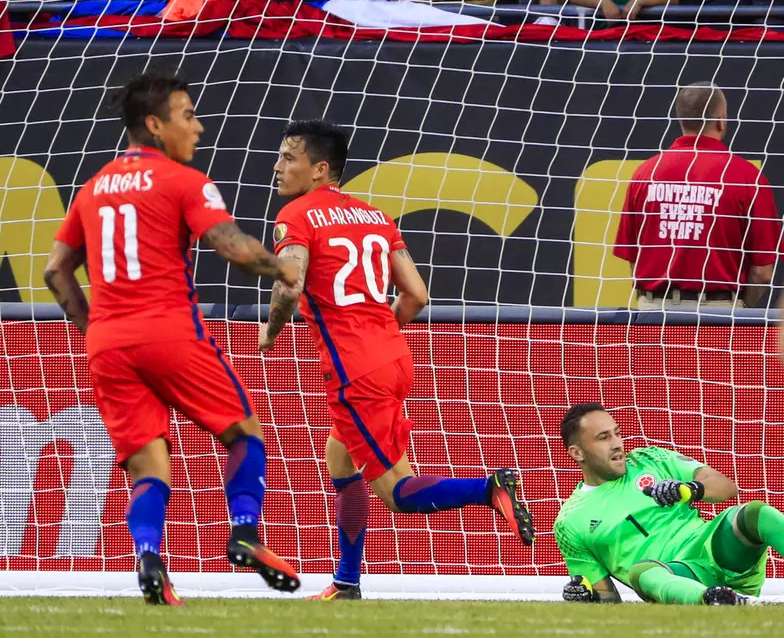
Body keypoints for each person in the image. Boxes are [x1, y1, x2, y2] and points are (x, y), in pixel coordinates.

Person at [43, 70, 302, 606]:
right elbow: (233, 248)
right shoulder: (185, 181)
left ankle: (149, 558)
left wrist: (94, 328)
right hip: (169, 331)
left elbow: (55, 271)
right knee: (243, 432)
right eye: (188, 116)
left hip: (108, 344)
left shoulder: (92, 188)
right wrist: (285, 270)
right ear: (155, 125)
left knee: (147, 464)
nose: (200, 128)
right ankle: (246, 534)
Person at [259, 120, 535, 602]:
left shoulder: (295, 215)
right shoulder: (375, 217)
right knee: (339, 462)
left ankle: (489, 487)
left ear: (320, 169)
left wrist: (272, 329)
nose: (277, 165)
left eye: (288, 157)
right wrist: (378, 333)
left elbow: (290, 283)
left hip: (353, 369)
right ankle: (346, 582)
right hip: (390, 353)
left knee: (397, 493)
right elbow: (417, 294)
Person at [554, 402, 784, 605]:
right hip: (677, 576)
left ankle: (721, 598)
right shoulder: (570, 522)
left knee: (755, 513)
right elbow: (608, 600)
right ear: (577, 453)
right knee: (642, 572)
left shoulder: (651, 459)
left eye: (617, 433)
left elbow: (726, 486)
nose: (617, 444)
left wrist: (689, 489)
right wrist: (585, 597)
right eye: (603, 438)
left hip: (715, 550)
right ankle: (719, 601)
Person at [615, 82, 781, 311]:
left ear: (681, 120)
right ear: (721, 120)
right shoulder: (748, 178)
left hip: (654, 313)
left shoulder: (645, 174)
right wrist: (739, 307)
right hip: (720, 315)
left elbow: (634, 258)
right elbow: (762, 271)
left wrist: (653, 299)